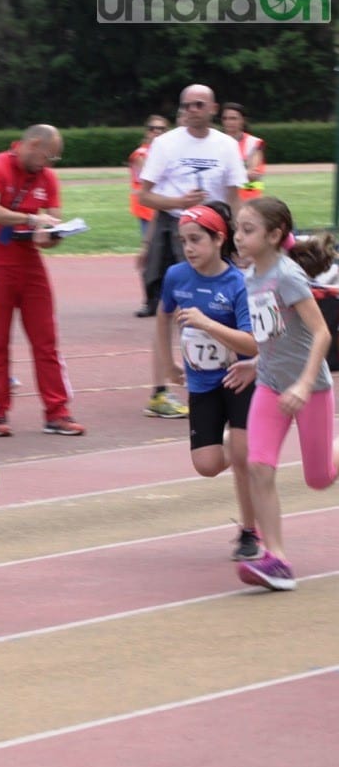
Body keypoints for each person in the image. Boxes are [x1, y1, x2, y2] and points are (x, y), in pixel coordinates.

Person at [224, 198, 339, 592]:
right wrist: (255, 364)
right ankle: (276, 560)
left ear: (274, 235)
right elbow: (272, 334)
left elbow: (322, 334)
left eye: (248, 230)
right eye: (237, 228)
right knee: (259, 466)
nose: (238, 237)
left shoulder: (288, 276)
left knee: (320, 478)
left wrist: (305, 384)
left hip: (311, 388)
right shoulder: (250, 275)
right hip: (270, 385)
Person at [152, 202, 259, 560]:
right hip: (201, 383)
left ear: (218, 239)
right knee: (207, 465)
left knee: (243, 460)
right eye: (184, 241)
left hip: (239, 378)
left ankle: (249, 532)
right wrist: (168, 363)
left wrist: (207, 323)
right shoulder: (176, 277)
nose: (189, 248)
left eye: (196, 239)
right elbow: (163, 316)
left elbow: (250, 342)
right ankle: (235, 441)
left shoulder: (238, 284)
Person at [0, 124, 84, 438]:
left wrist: (52, 235)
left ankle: (57, 412)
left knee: (46, 340)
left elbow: (52, 227)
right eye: (47, 156)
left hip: (30, 265)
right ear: (32, 144)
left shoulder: (47, 177)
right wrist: (32, 219)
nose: (48, 164)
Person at [137, 84, 246, 320]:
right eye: (186, 105)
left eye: (199, 104)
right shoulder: (165, 144)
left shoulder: (227, 145)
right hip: (177, 225)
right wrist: (180, 202)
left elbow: (234, 197)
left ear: (213, 108)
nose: (192, 110)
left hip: (216, 226)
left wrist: (240, 235)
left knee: (219, 283)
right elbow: (144, 196)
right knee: (180, 290)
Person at [130, 115, 169, 317]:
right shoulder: (141, 154)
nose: (157, 132)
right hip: (148, 211)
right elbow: (150, 176)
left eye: (162, 129)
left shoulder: (166, 153)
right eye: (153, 129)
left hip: (165, 209)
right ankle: (150, 300)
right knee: (150, 253)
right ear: (147, 132)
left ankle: (165, 297)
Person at [221, 103, 265, 202]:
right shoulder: (215, 142)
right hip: (223, 196)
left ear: (243, 120)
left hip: (249, 195)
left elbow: (253, 174)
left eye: (233, 118)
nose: (228, 122)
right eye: (225, 118)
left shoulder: (254, 143)